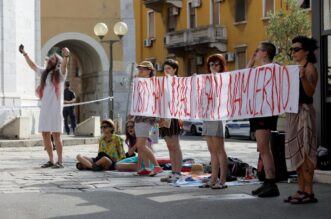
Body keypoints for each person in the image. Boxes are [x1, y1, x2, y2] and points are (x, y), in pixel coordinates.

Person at [19, 44, 70, 168]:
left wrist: (66, 56)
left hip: (56, 109)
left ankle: (60, 161)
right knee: (45, 134)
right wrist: (24, 53)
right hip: (45, 109)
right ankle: (51, 160)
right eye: (49, 59)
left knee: (56, 135)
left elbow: (64, 65)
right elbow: (33, 66)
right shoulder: (44, 73)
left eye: (52, 59)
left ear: (57, 62)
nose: (49, 60)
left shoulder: (61, 74)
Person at [284, 36, 319, 204]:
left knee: (306, 152)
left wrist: (304, 77)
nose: (293, 52)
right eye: (292, 49)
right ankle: (301, 188)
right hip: (293, 113)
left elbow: (310, 92)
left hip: (305, 114)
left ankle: (309, 191)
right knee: (296, 152)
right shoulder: (294, 68)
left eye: (296, 49)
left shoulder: (310, 68)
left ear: (306, 51)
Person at [246, 42, 280, 198]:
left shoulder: (274, 68)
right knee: (263, 148)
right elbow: (244, 77)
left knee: (264, 147)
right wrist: (252, 59)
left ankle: (271, 183)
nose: (256, 52)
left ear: (265, 53)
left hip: (265, 111)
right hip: (258, 111)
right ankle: (268, 181)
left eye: (258, 50)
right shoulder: (260, 70)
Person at [199, 54, 228, 189]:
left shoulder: (223, 79)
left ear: (221, 66)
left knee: (219, 149)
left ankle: (222, 181)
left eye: (216, 64)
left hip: (217, 116)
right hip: (207, 116)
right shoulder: (206, 80)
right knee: (211, 149)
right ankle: (213, 179)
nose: (213, 66)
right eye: (211, 64)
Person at [133, 61, 163, 176]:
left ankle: (156, 166)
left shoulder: (152, 83)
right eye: (139, 68)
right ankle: (146, 167)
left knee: (141, 145)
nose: (140, 70)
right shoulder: (140, 83)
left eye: (143, 69)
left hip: (146, 117)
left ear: (149, 70)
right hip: (139, 116)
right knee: (142, 144)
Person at [159, 59, 183, 183]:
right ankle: (173, 171)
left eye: (169, 68)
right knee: (169, 145)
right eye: (165, 68)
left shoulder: (179, 82)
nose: (166, 71)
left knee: (175, 144)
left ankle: (178, 172)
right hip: (164, 116)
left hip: (174, 115)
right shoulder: (162, 83)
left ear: (175, 70)